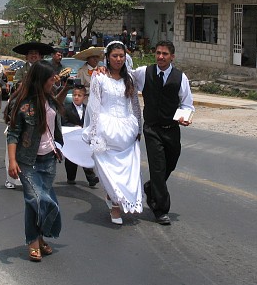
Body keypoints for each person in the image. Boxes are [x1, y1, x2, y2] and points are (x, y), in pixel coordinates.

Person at [132, 40, 194, 225]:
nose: (160, 57)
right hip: (152, 129)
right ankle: (160, 209)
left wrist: (185, 117)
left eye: (165, 54)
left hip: (171, 130)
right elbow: (125, 77)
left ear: (172, 57)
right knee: (157, 167)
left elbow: (186, 103)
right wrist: (105, 70)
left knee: (170, 165)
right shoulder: (144, 72)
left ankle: (151, 188)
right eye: (158, 53)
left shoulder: (180, 78)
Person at [7, 60, 63, 262]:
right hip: (27, 161)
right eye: (50, 79)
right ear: (41, 81)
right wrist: (12, 161)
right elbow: (13, 134)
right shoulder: (23, 104)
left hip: (49, 159)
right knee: (38, 199)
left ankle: (37, 239)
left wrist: (63, 84)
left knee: (34, 203)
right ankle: (33, 240)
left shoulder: (51, 99)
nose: (53, 82)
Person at [83, 41, 143, 225]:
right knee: (109, 170)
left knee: (127, 170)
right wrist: (94, 133)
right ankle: (115, 205)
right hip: (106, 128)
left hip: (126, 129)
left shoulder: (130, 78)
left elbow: (134, 104)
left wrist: (139, 127)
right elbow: (94, 105)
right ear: (108, 57)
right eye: (115, 56)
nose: (118, 59)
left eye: (121, 56)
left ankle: (116, 199)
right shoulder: (99, 77)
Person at [62, 85, 99, 186]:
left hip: (83, 137)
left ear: (84, 97)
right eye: (74, 95)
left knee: (85, 156)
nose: (76, 97)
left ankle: (91, 178)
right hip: (71, 138)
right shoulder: (66, 108)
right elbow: (64, 122)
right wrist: (74, 126)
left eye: (79, 95)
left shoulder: (87, 109)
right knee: (71, 158)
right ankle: (70, 177)